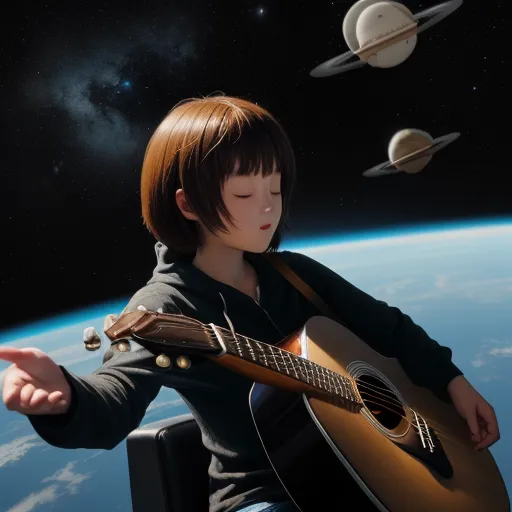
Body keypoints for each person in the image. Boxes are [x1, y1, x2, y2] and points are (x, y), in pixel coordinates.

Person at [0, 95, 500, 512]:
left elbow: (388, 328)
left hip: (365, 472)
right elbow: (114, 398)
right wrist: (65, 400)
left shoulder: (293, 273)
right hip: (261, 497)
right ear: (187, 204)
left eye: (276, 188)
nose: (267, 207)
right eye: (244, 192)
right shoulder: (162, 306)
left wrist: (451, 381)